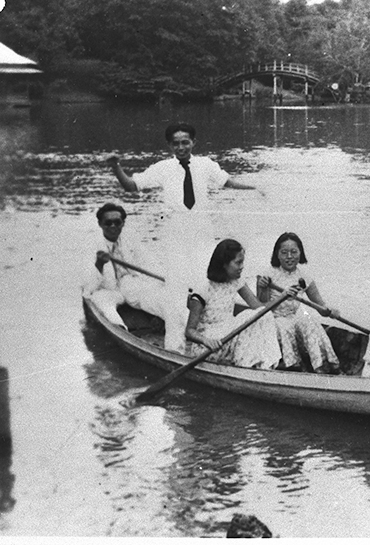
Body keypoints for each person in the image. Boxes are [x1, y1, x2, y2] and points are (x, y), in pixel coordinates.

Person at [105, 122, 260, 351]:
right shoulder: (163, 168)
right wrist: (116, 167)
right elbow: (131, 186)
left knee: (209, 285)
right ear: (169, 145)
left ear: (193, 142)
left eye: (185, 142)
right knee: (176, 296)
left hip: (202, 233)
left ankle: (212, 341)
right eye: (176, 143)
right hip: (176, 235)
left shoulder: (205, 165)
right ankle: (175, 349)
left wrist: (255, 189)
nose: (181, 147)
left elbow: (228, 182)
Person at [185, 239, 282, 368]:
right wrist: (207, 341)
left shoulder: (236, 281)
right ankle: (246, 365)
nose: (242, 266)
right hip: (210, 347)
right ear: (224, 264)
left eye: (242, 262)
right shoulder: (203, 290)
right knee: (248, 316)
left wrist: (283, 296)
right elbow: (189, 331)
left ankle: (266, 364)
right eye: (238, 263)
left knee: (265, 315)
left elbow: (260, 309)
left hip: (228, 337)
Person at [256, 232, 341, 374]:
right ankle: (293, 365)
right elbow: (260, 308)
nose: (289, 257)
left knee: (311, 323)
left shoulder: (304, 277)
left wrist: (331, 311)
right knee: (284, 326)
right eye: (284, 252)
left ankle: (324, 366)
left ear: (300, 253)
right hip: (272, 320)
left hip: (293, 318)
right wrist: (266, 288)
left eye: (294, 252)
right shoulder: (266, 275)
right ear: (277, 254)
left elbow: (320, 306)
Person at [83, 203, 172, 338]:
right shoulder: (91, 245)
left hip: (129, 284)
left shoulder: (131, 239)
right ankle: (122, 332)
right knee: (101, 302)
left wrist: (165, 281)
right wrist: (99, 264)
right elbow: (89, 287)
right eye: (108, 223)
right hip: (108, 290)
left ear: (123, 223)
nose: (113, 226)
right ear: (100, 224)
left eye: (117, 222)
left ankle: (172, 323)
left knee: (157, 297)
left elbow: (149, 263)